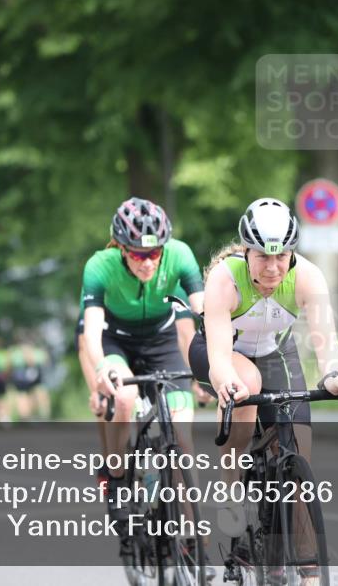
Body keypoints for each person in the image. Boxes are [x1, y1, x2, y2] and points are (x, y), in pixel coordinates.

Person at [188, 198, 338, 545]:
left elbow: (326, 341)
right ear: (247, 252)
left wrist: (334, 375)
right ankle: (230, 483)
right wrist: (227, 385)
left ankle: (305, 566)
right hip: (220, 353)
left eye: (281, 256)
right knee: (247, 383)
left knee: (299, 455)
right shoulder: (225, 279)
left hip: (275, 353)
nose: (272, 268)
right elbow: (221, 356)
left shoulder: (308, 276)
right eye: (263, 256)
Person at [79, 197, 205, 519]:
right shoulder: (99, 265)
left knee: (182, 434)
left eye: (154, 253)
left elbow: (205, 311)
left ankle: (191, 534)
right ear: (121, 248)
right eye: (138, 254)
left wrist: (211, 365)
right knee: (124, 398)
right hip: (116, 341)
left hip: (162, 340)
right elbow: (91, 334)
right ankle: (118, 479)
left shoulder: (180, 254)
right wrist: (101, 369)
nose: (147, 263)